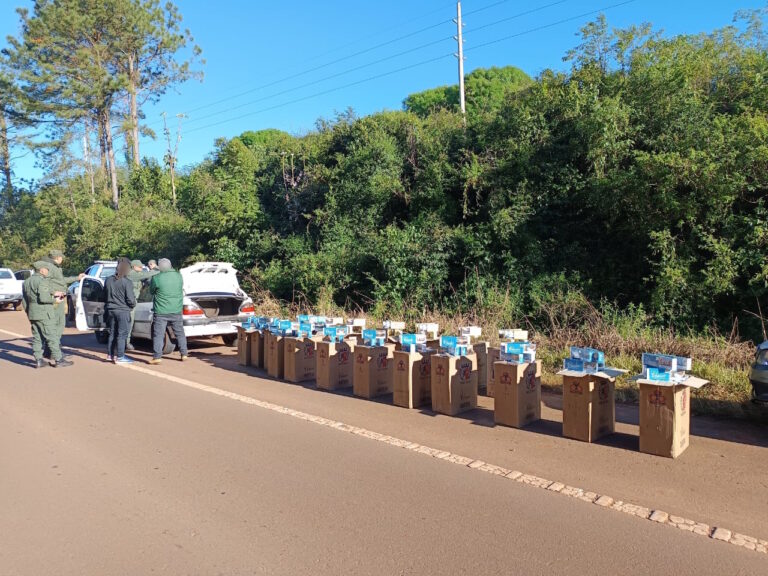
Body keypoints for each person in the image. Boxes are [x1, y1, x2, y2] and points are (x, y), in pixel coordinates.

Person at [22, 261, 72, 368]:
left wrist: (29, 313)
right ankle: (59, 360)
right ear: (42, 270)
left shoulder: (26, 282)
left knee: (37, 337)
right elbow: (44, 298)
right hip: (44, 313)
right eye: (47, 269)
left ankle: (38, 359)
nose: (48, 271)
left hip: (33, 313)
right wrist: (55, 301)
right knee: (52, 336)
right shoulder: (42, 281)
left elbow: (25, 301)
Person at [42, 249, 84, 359]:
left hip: (57, 297)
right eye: (61, 257)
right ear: (56, 257)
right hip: (57, 298)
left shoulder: (50, 267)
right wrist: (76, 278)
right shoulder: (53, 268)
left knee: (54, 324)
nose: (62, 259)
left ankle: (48, 351)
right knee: (58, 324)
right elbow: (60, 281)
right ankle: (54, 353)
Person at [149, 258, 188, 364]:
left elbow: (151, 291)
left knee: (159, 334)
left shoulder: (157, 278)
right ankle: (184, 354)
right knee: (180, 332)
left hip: (161, 311)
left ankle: (157, 357)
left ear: (160, 267)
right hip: (176, 309)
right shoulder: (179, 276)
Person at [104, 258, 137, 364]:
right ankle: (120, 357)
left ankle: (110, 355)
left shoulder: (108, 280)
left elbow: (104, 294)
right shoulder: (127, 282)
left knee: (112, 333)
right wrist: (132, 305)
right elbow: (130, 299)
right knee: (122, 334)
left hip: (111, 310)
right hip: (123, 310)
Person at [125, 259, 157, 351]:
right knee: (129, 323)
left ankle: (125, 342)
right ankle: (126, 343)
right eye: (140, 267)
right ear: (134, 266)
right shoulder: (132, 273)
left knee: (129, 323)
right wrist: (158, 270)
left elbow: (145, 279)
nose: (142, 268)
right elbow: (146, 274)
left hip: (134, 301)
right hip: (130, 302)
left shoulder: (135, 273)